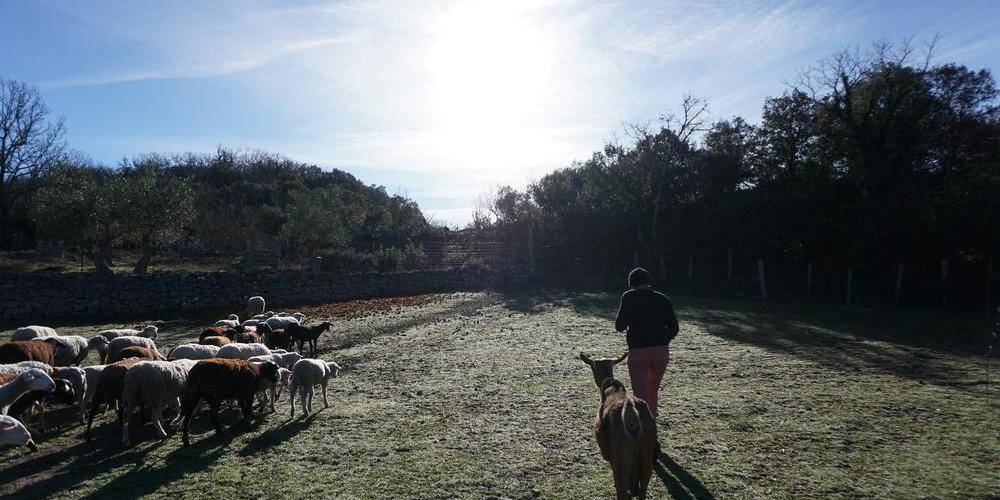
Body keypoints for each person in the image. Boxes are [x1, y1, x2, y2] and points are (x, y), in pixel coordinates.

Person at [614, 267, 679, 423]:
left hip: (638, 350)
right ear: (648, 282)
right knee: (653, 390)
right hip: (660, 351)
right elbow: (674, 328)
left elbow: (619, 326)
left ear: (631, 283)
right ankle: (652, 421)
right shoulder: (662, 298)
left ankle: (642, 424)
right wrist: (663, 340)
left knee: (640, 392)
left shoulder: (628, 297)